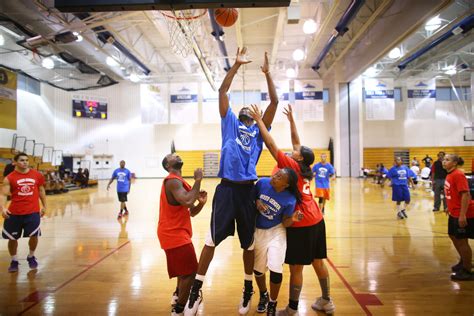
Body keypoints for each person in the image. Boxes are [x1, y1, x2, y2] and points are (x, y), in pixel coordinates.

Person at [185, 47, 279, 316]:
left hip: (248, 191)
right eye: (245, 111)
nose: (247, 112)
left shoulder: (259, 131)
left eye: (250, 112)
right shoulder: (229, 123)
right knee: (211, 240)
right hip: (226, 189)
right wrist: (236, 66)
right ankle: (196, 290)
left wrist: (268, 74)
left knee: (248, 245)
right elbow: (222, 92)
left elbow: (274, 103)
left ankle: (248, 289)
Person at [248, 104, 334, 315]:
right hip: (317, 218)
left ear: (299, 158)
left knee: (296, 267)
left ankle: (293, 308)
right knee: (318, 261)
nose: (293, 149)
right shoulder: (305, 167)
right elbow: (297, 142)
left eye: (296, 151)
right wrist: (292, 120)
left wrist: (260, 121)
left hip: (301, 221)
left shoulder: (291, 167)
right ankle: (326, 300)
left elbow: (270, 144)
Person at [158, 153, 208, 315]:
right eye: (172, 156)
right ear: (168, 166)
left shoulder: (179, 182)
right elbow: (187, 201)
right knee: (190, 272)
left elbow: (191, 211)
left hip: (174, 232)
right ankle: (179, 309)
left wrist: (201, 203)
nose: (177, 155)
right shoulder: (172, 180)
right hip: (173, 233)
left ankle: (177, 295)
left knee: (183, 271)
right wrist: (198, 180)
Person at [253, 168, 302, 315]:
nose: (274, 176)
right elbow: (250, 197)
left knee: (275, 267)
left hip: (276, 230)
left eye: (279, 177)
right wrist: (256, 202)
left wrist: (292, 219)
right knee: (258, 269)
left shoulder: (290, 199)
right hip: (258, 230)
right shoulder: (262, 183)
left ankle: (272, 303)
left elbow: (285, 222)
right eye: (276, 174)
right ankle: (263, 295)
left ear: (286, 185)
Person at [0, 153, 47, 273]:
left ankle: (31, 256)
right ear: (14, 162)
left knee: (34, 235)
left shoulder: (37, 175)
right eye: (22, 160)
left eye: (27, 160)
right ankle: (14, 260)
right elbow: (3, 194)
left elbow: (41, 191)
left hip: (32, 212)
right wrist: (3, 208)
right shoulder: (9, 178)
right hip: (14, 213)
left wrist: (44, 206)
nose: (25, 162)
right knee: (12, 238)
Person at [442, 154, 474, 281]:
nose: (444, 161)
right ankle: (464, 261)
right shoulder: (450, 174)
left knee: (462, 241)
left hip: (464, 213)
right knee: (453, 235)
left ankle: (468, 270)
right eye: (444, 159)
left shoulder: (458, 174)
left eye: (447, 160)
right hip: (453, 212)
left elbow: (466, 195)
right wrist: (448, 207)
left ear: (455, 163)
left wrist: (462, 215)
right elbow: (453, 193)